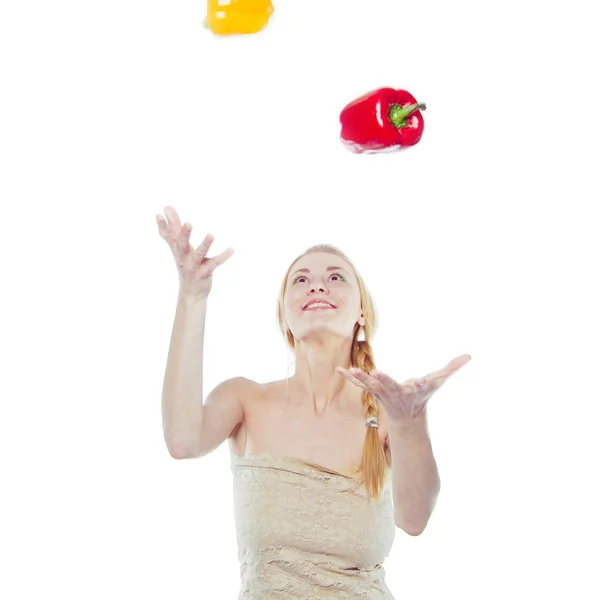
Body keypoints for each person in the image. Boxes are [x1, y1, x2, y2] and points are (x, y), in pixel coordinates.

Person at [157, 205, 470, 599]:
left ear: (361, 312)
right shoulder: (245, 399)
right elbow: (182, 441)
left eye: (335, 277)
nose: (317, 286)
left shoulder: (388, 417)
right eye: (300, 280)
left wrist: (411, 422)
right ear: (285, 317)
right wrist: (192, 296)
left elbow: (414, 519)